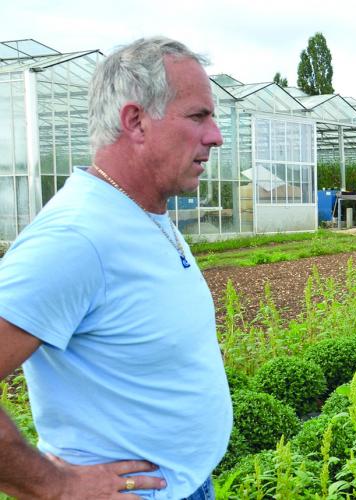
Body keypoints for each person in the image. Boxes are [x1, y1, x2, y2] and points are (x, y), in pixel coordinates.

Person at [0, 36, 230, 499]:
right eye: (198, 116)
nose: (216, 135)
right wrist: (55, 487)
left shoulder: (143, 209)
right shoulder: (75, 238)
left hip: (187, 484)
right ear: (135, 122)